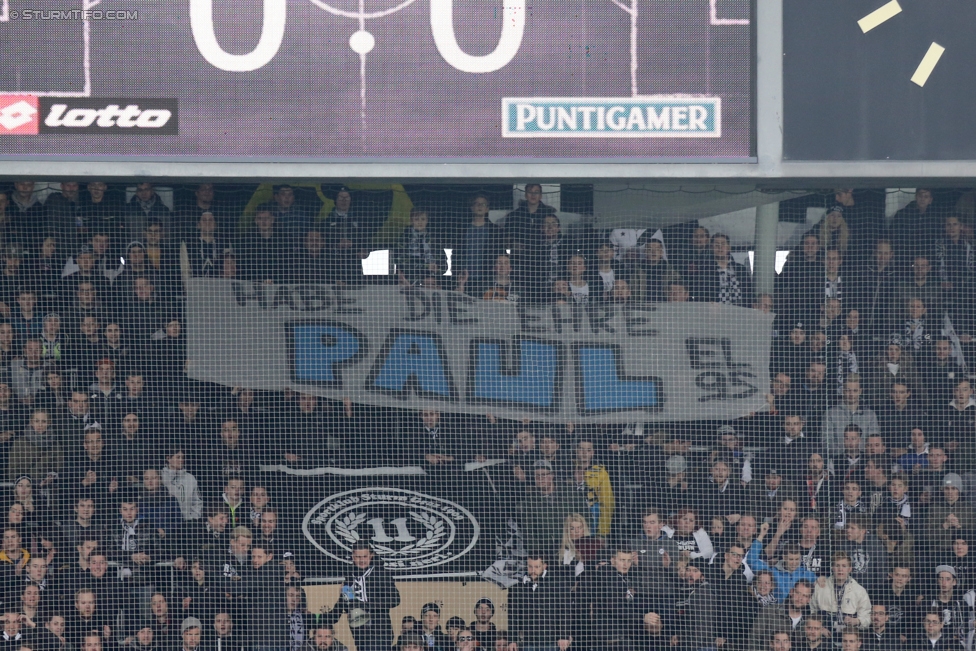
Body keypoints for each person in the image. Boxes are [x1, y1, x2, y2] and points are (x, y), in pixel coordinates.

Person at [322, 541, 401, 651]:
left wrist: (364, 605)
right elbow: (343, 603)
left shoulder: (381, 574)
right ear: (353, 557)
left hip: (380, 634)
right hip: (360, 636)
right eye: (358, 557)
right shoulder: (350, 576)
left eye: (365, 556)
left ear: (371, 555)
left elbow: (395, 599)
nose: (362, 560)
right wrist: (319, 618)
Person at [507, 553, 573, 651]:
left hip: (552, 642)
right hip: (527, 642)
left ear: (544, 566)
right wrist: (512, 640)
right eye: (530, 567)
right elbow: (513, 616)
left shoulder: (557, 584)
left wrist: (563, 635)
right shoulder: (518, 587)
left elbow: (565, 611)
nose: (533, 571)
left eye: (537, 567)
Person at [810, 552, 872, 635]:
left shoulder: (859, 591)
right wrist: (819, 628)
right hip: (824, 638)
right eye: (837, 565)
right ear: (832, 567)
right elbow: (812, 612)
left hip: (849, 638)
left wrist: (857, 621)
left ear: (849, 569)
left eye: (844, 566)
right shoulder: (820, 587)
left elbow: (867, 617)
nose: (840, 569)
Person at [749, 580, 814, 651]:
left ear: (809, 599)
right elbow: (753, 640)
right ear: (791, 592)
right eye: (798, 593)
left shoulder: (809, 622)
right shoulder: (768, 612)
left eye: (805, 596)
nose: (800, 598)